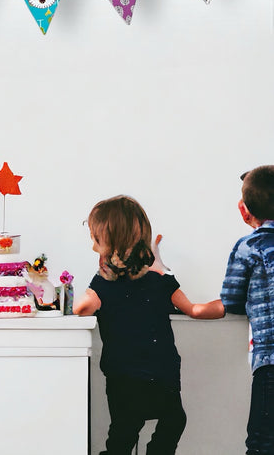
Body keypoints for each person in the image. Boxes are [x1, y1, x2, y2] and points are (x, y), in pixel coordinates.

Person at [74, 195, 224, 455]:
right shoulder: (159, 280)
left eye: (95, 239)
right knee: (164, 422)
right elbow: (195, 310)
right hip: (151, 373)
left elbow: (81, 308)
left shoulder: (108, 284)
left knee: (126, 432)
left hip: (136, 375)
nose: (92, 246)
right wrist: (232, 301)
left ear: (107, 242)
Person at [220, 165, 274, 455]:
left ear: (244, 211)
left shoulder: (249, 246)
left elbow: (231, 299)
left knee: (262, 443)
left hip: (271, 362)